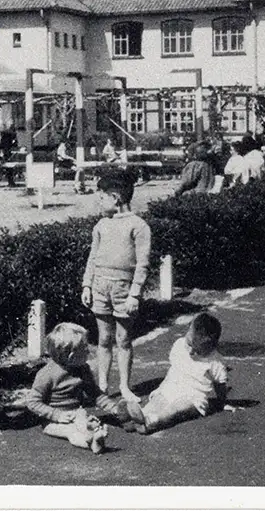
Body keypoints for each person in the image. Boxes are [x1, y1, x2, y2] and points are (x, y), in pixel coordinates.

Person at [81, 166, 150, 402]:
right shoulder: (100, 225)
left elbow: (142, 263)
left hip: (124, 289)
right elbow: (93, 256)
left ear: (116, 198)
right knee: (103, 339)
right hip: (100, 286)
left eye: (101, 198)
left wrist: (134, 294)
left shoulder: (139, 226)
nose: (98, 203)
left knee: (123, 339)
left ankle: (124, 386)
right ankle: (102, 385)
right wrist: (87, 285)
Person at [24, 322, 129, 452]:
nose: (88, 349)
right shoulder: (47, 374)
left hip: (77, 413)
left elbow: (94, 393)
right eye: (84, 347)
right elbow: (32, 401)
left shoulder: (83, 369)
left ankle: (94, 435)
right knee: (70, 432)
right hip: (51, 420)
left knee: (85, 422)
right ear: (71, 356)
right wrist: (56, 415)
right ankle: (91, 441)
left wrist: (113, 408)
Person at [124, 313, 230, 434]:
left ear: (211, 347)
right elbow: (173, 370)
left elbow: (220, 385)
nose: (190, 351)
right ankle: (139, 416)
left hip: (193, 397)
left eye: (197, 350)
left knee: (176, 408)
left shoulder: (215, 362)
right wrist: (162, 388)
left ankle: (150, 422)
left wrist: (222, 403)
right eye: (189, 344)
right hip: (171, 387)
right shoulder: (179, 345)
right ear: (188, 331)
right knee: (157, 401)